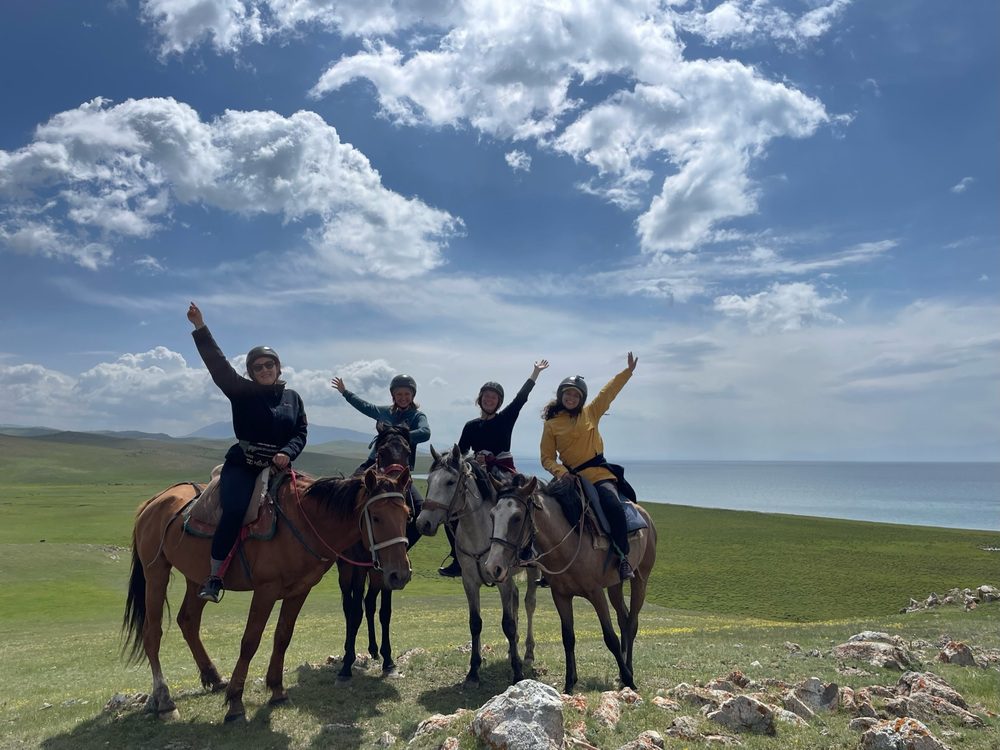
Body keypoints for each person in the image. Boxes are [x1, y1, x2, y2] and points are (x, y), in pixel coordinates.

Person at [187, 302, 308, 603]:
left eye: (270, 365)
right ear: (251, 373)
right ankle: (215, 577)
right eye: (258, 367)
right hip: (244, 464)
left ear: (279, 368)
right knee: (235, 509)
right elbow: (218, 365)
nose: (265, 370)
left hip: (279, 466)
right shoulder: (241, 391)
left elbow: (300, 432)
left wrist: (287, 452)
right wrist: (201, 328)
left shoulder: (293, 398)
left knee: (305, 504)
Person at [435, 360, 550, 577]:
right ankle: (458, 558)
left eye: (493, 397)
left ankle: (529, 552)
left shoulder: (505, 418)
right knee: (452, 509)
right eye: (486, 396)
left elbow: (521, 398)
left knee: (522, 505)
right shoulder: (470, 426)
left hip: (503, 473)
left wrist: (535, 373)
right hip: (478, 474)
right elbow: (460, 453)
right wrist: (473, 459)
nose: (489, 400)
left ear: (498, 402)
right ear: (480, 400)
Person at [540, 352, 638, 581]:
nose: (571, 398)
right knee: (545, 512)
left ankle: (623, 557)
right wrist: (561, 473)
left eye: (576, 395)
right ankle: (547, 563)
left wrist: (627, 372)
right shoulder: (551, 425)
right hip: (569, 477)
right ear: (561, 395)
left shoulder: (591, 412)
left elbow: (608, 392)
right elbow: (546, 458)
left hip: (598, 474)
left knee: (613, 506)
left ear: (581, 398)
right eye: (568, 394)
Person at [331, 373, 430, 529]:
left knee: (418, 510)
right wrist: (346, 393)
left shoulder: (417, 416)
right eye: (399, 394)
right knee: (346, 491)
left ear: (413, 395)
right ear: (393, 395)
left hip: (401, 471)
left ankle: (401, 548)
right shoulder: (385, 412)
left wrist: (400, 435)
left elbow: (425, 432)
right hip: (376, 462)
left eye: (407, 394)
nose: (403, 397)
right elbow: (365, 407)